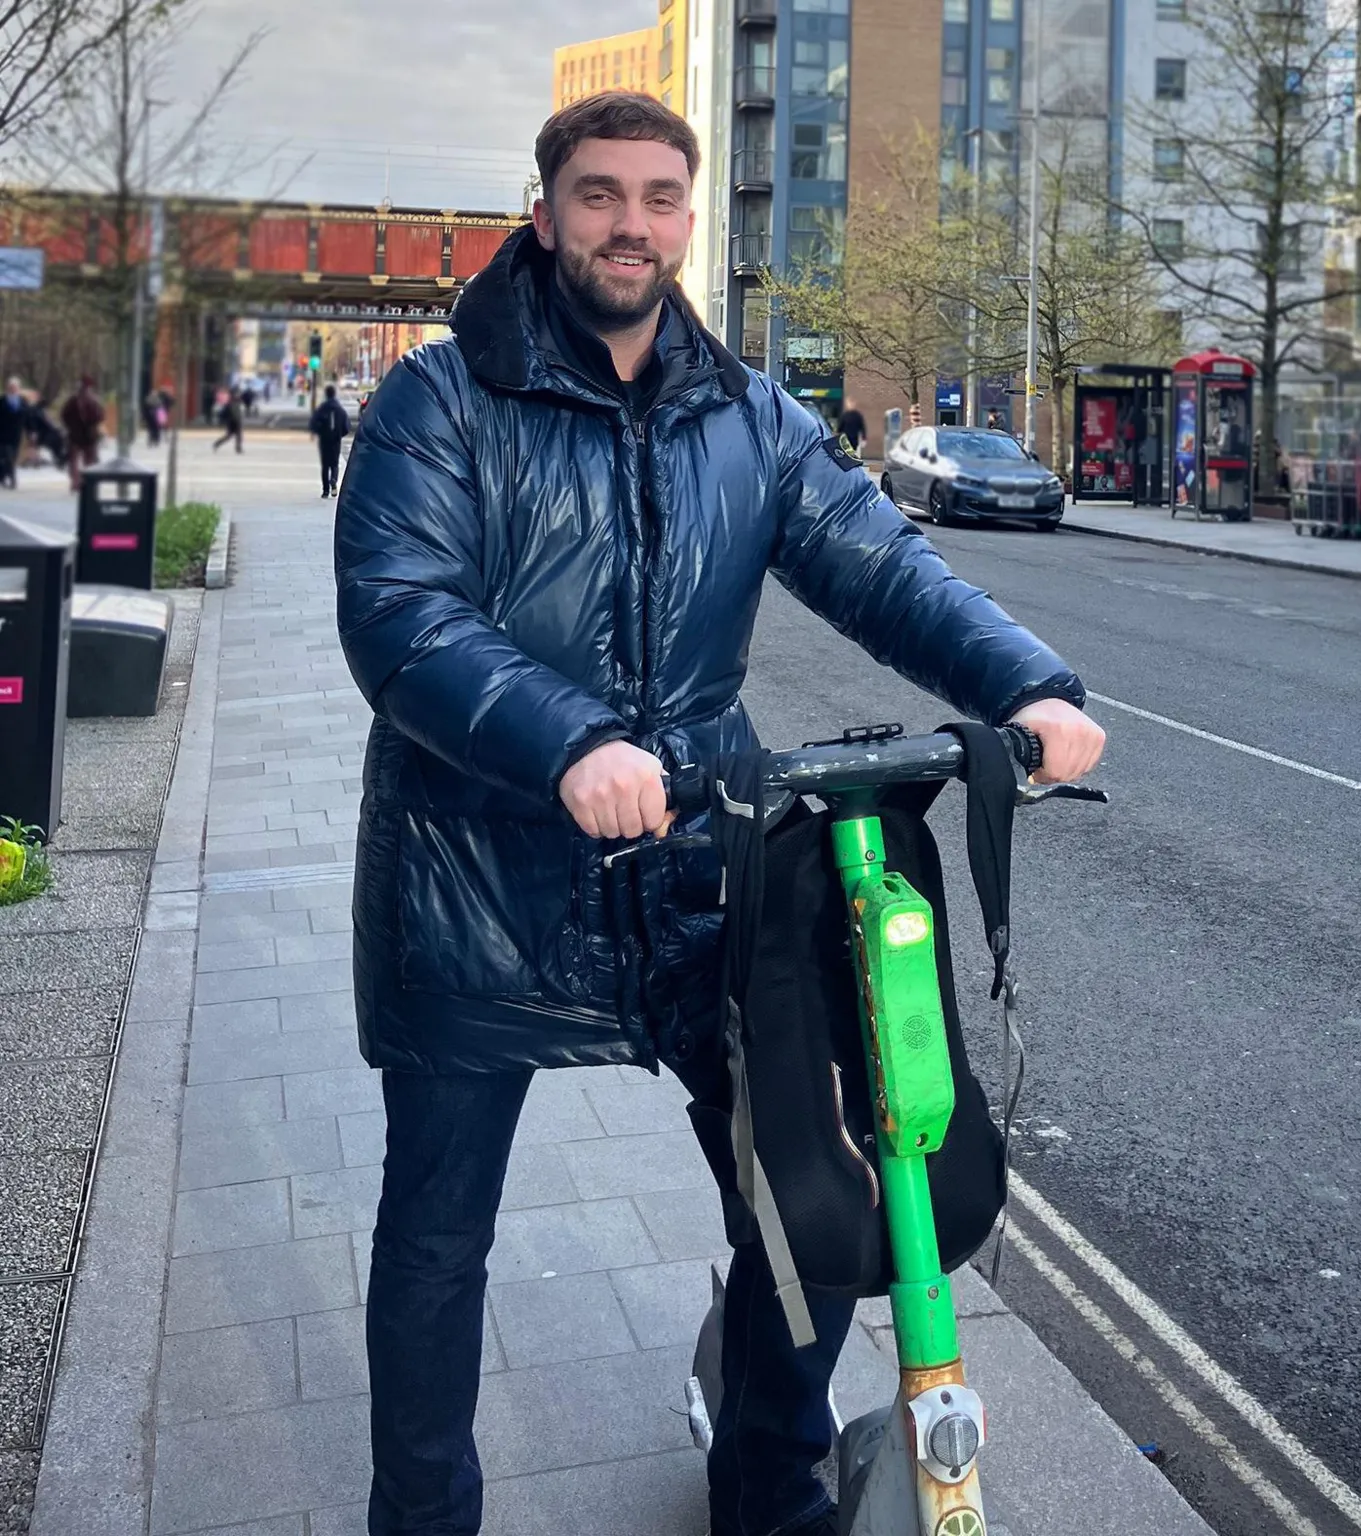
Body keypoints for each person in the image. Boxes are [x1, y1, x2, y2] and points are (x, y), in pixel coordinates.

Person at [335, 91, 1104, 1536]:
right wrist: (568, 743)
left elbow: (884, 570)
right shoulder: (436, 402)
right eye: (600, 194)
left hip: (700, 873)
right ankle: (421, 1515)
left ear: (692, 218)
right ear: (546, 206)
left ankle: (768, 1482)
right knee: (438, 1236)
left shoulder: (748, 416)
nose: (632, 224)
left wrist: (1032, 687)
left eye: (659, 199)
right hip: (474, 884)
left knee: (806, 1199)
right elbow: (400, 618)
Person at [60, 375, 104, 490]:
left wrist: (70, 426)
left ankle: (75, 482)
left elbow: (64, 415)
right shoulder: (94, 401)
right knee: (89, 460)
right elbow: (100, 416)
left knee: (73, 459)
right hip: (90, 434)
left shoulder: (72, 400)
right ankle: (87, 482)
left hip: (75, 434)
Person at [309, 383, 350, 497]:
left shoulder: (322, 408)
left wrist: (317, 432)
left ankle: (325, 490)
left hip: (324, 440)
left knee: (325, 465)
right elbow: (346, 426)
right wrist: (340, 434)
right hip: (335, 440)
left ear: (326, 394)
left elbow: (314, 421)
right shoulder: (340, 410)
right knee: (334, 464)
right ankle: (334, 480)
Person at [0, 378, 26, 488]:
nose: (13, 390)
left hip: (16, 434)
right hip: (3, 434)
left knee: (12, 458)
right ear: (7, 388)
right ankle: (13, 480)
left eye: (15, 388)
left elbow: (27, 417)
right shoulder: (2, 401)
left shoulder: (22, 401)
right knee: (8, 457)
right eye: (11, 388)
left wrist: (32, 431)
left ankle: (1, 476)